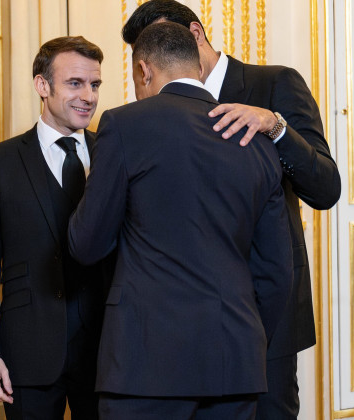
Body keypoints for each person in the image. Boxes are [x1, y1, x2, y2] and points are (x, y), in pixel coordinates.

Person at [122, 1, 341, 418]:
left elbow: (326, 188)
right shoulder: (150, 111)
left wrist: (275, 127)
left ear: (195, 33)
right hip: (181, 319)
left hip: (267, 311)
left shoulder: (275, 83)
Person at [68, 22, 293, 420]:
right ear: (197, 67)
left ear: (144, 70)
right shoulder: (256, 141)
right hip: (235, 362)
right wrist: (245, 339)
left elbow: (87, 244)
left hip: (143, 364)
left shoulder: (123, 125)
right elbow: (276, 273)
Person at [0, 36, 107, 420]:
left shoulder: (113, 153)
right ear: (43, 86)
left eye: (95, 85)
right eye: (75, 83)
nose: (88, 96)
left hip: (106, 351)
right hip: (28, 350)